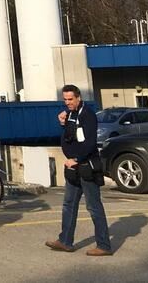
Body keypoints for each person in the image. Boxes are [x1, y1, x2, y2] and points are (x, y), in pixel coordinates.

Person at [46, 84, 113, 256]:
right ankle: (65, 241)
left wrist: (76, 159)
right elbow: (71, 136)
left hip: (86, 167)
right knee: (69, 204)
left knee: (94, 207)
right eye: (65, 99)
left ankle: (104, 245)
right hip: (73, 169)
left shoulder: (88, 115)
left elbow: (90, 143)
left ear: (78, 98)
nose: (67, 102)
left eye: (70, 99)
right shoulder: (71, 114)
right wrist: (63, 123)